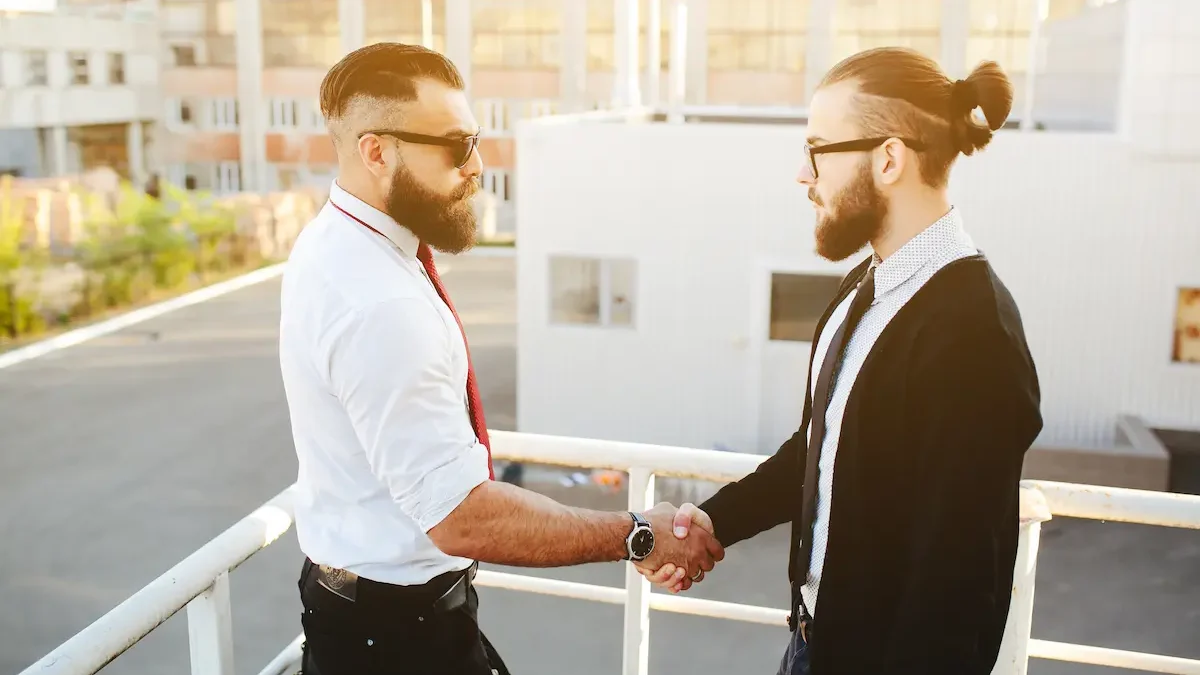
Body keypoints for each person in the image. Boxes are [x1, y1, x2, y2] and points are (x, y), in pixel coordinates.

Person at [277, 43, 723, 675]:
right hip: (398, 640)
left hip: (364, 617)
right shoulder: (379, 302)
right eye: (456, 146)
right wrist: (635, 534)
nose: (478, 165)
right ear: (376, 151)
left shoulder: (335, 243)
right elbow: (460, 518)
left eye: (477, 140)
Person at [639, 46, 1044, 675]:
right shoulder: (866, 286)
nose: (804, 175)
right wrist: (713, 520)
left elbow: (959, 590)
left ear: (888, 158)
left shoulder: (975, 333)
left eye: (818, 150)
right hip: (808, 645)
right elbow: (819, 449)